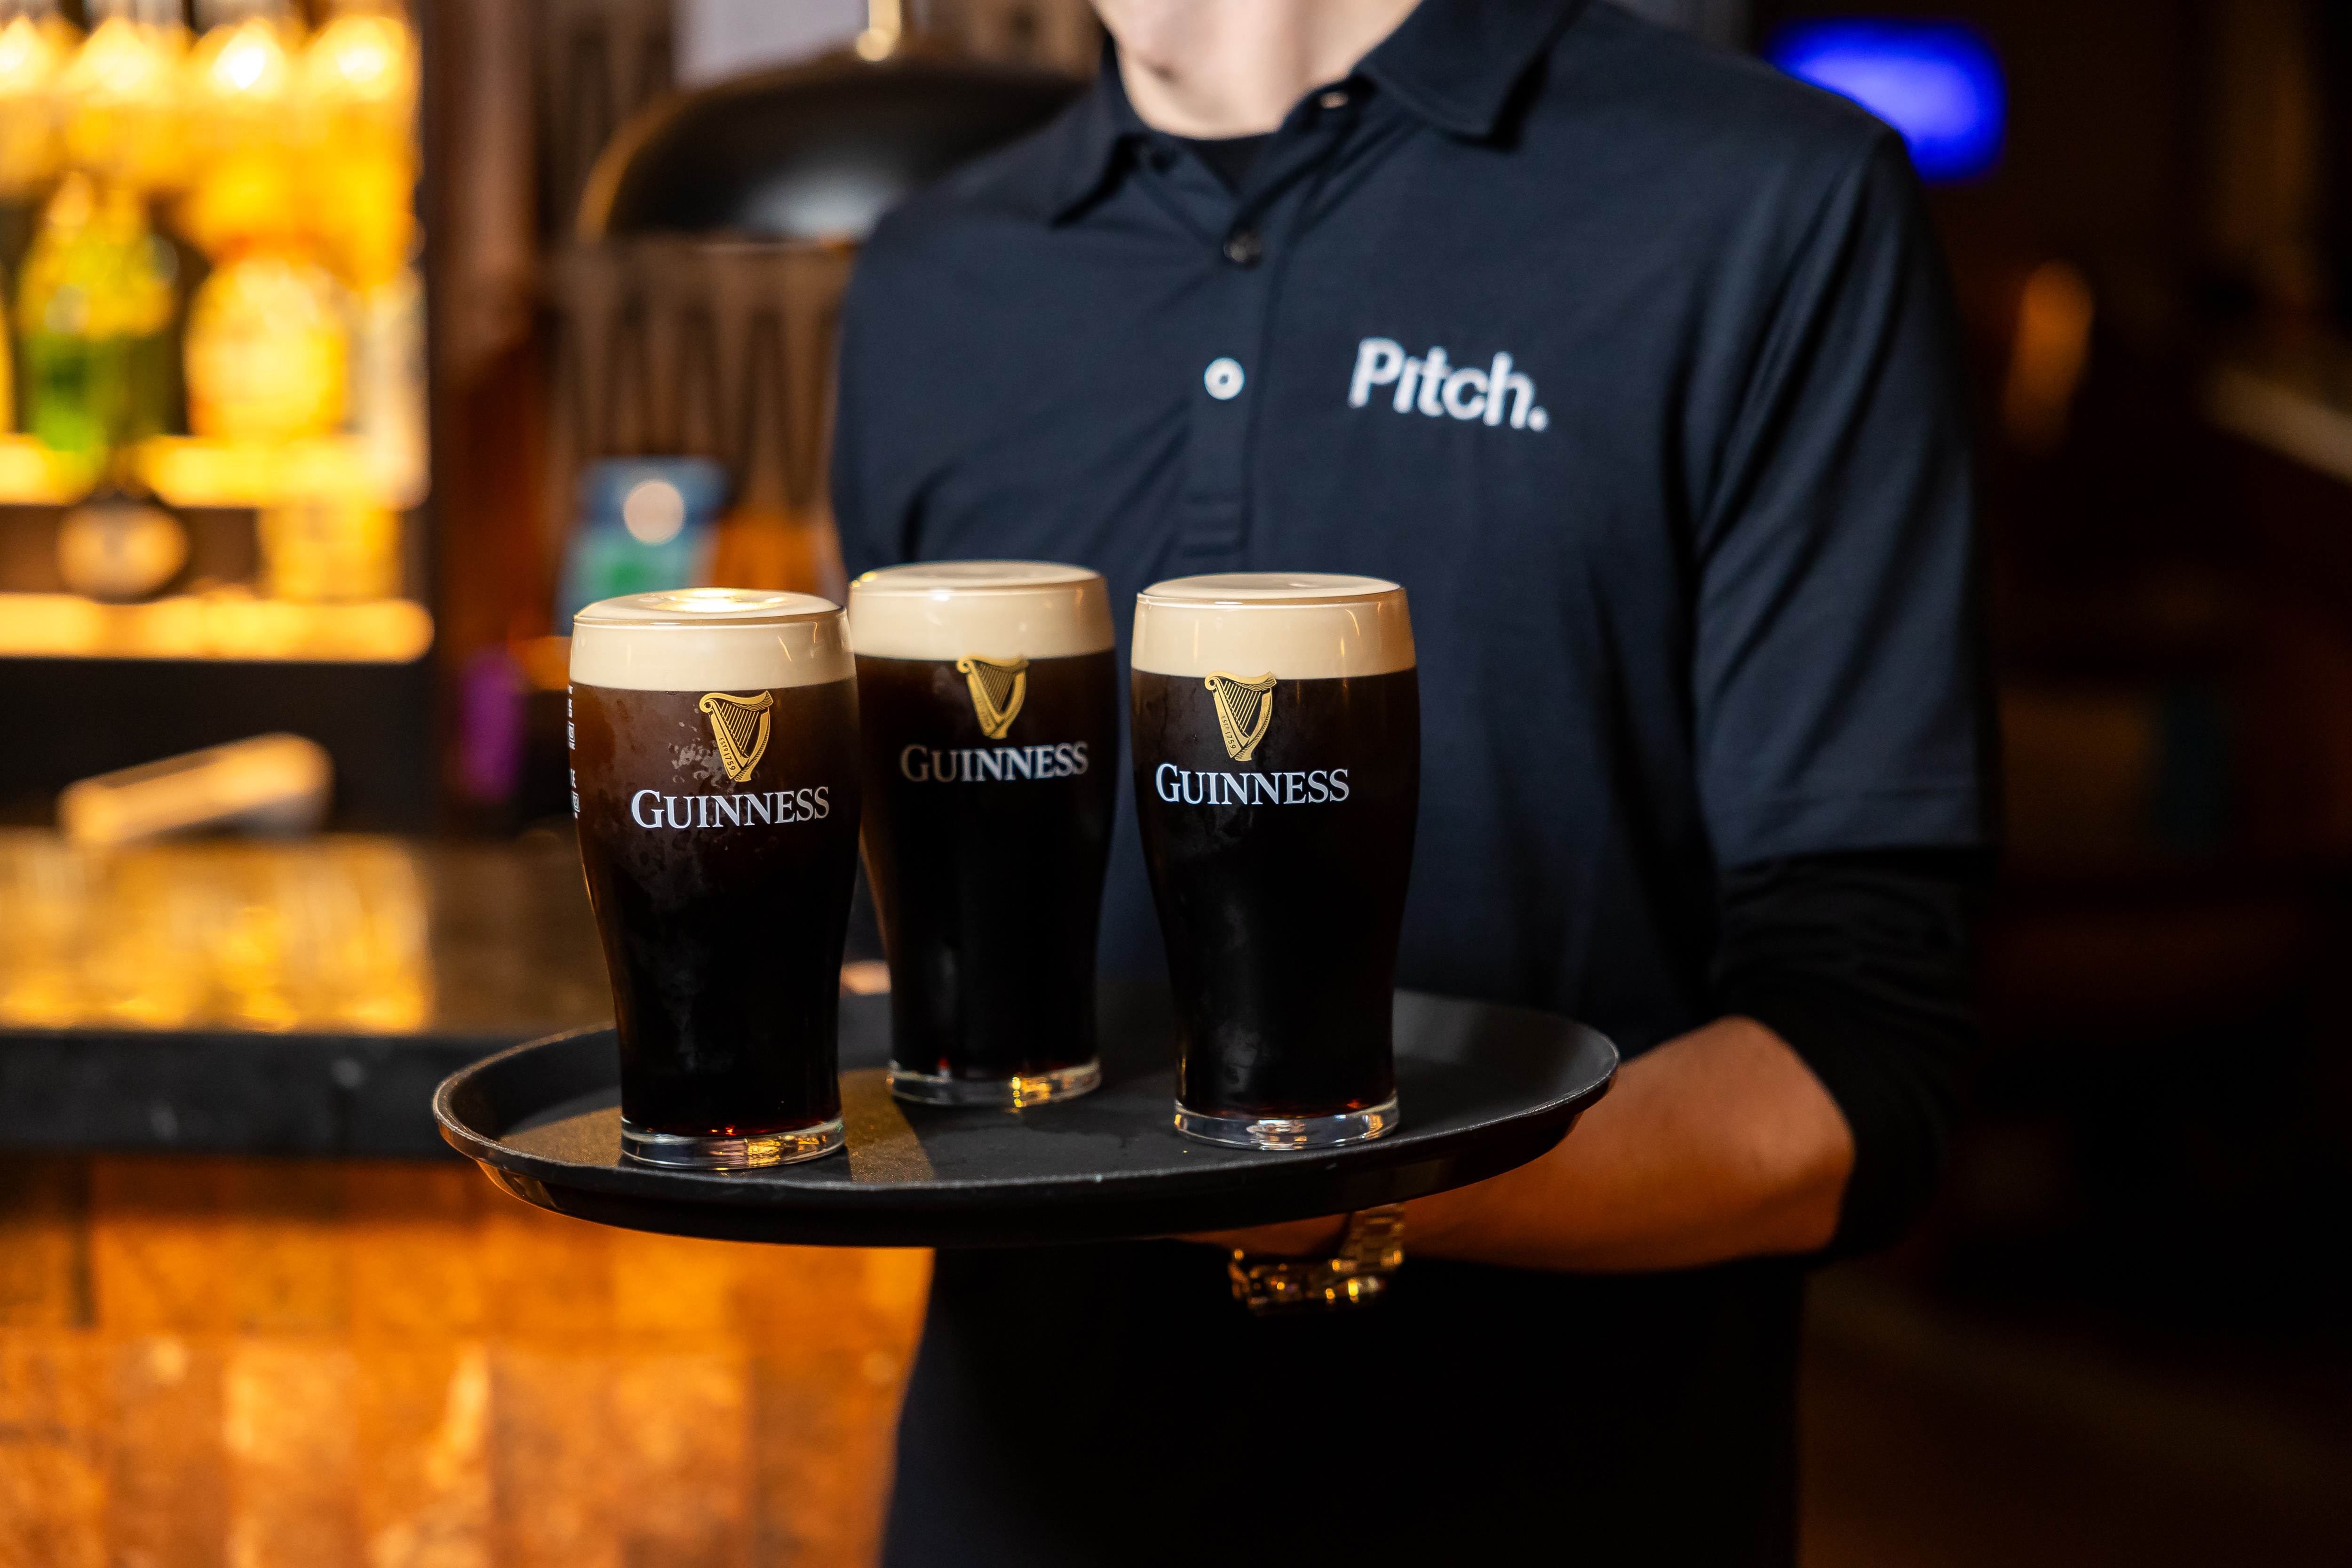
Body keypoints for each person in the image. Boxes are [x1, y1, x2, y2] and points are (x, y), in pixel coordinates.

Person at [831, 0, 1993, 1561]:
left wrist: (1333, 1194)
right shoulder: (929, 274)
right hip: (1012, 1506)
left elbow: (1860, 1076)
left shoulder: (1766, 198)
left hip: (1568, 1504)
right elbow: (898, 955)